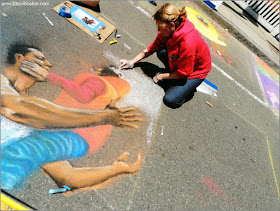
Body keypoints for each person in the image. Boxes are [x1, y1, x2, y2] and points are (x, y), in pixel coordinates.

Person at [1, 44, 143, 192]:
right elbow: (67, 178)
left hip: (77, 134)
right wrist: (115, 169)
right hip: (79, 134)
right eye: (40, 59)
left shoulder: (98, 82)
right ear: (19, 58)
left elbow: (77, 98)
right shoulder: (4, 86)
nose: (48, 64)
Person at [120, 3, 212, 108]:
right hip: (184, 63)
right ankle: (173, 77)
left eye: (160, 27)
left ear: (171, 25)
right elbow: (151, 49)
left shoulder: (187, 43)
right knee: (161, 51)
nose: (158, 31)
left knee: (170, 100)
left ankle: (188, 90)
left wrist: (160, 76)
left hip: (196, 71)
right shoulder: (170, 29)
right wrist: (131, 62)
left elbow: (184, 72)